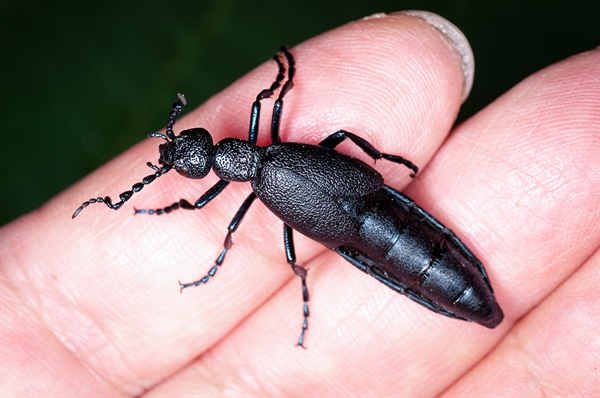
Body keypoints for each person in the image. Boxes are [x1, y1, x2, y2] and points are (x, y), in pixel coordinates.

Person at [1, 11, 597, 397]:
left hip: (366, 216)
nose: (187, 147)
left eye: (187, 145)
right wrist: (379, 165)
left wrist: (188, 225)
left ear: (213, 153)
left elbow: (234, 201)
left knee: (319, 249)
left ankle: (354, 281)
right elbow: (314, 128)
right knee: (336, 231)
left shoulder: (259, 180)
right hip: (378, 208)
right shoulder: (269, 151)